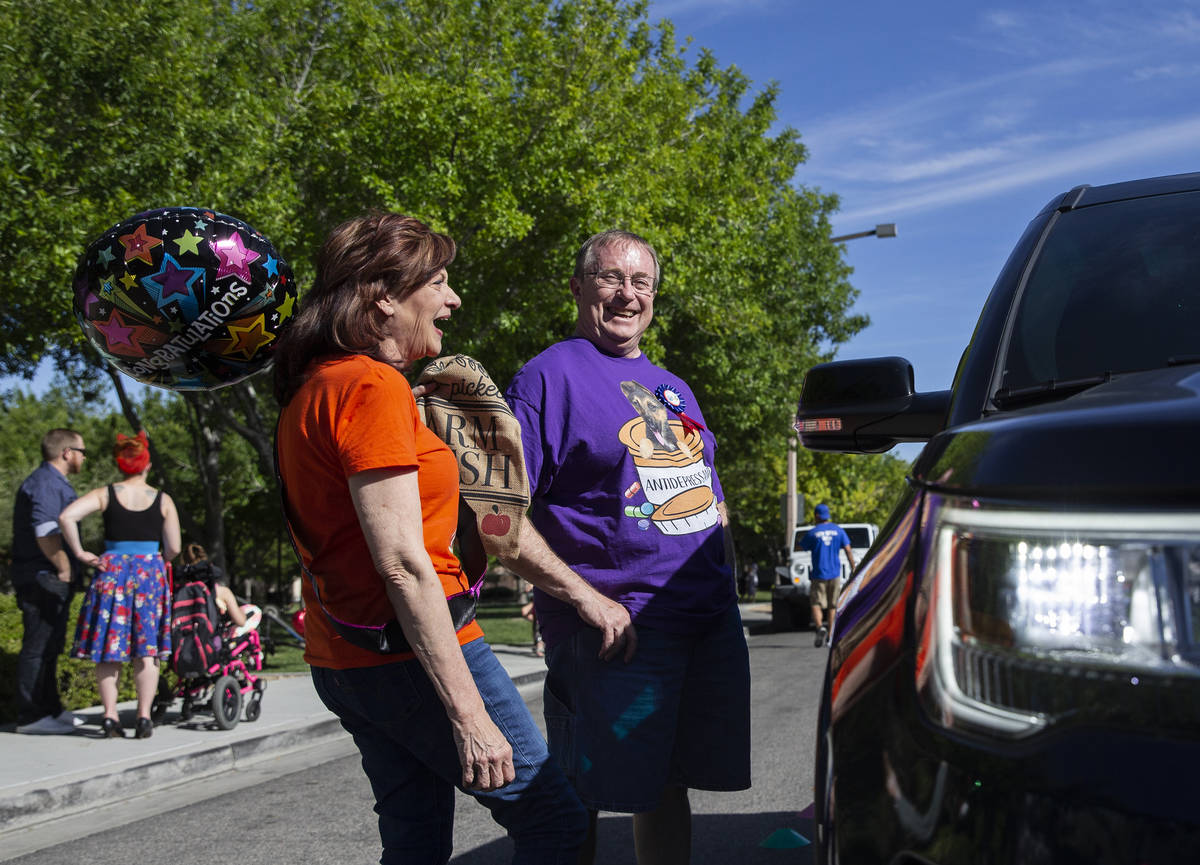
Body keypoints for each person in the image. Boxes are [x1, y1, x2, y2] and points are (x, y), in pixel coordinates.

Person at [272, 211, 618, 865]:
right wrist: (469, 713)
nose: (453, 299)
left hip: (345, 658)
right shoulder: (370, 385)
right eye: (437, 282)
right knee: (555, 822)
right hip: (416, 655)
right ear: (383, 298)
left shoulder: (313, 387)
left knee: (416, 839)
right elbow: (403, 563)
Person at [505, 229, 751, 865]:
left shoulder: (673, 388)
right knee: (577, 797)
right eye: (611, 277)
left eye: (641, 282)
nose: (627, 294)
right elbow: (499, 515)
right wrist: (587, 601)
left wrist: (725, 584)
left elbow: (706, 494)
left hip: (704, 624)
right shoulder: (546, 378)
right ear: (578, 287)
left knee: (667, 787)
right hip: (618, 630)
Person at [59, 430, 181, 739]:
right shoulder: (163, 500)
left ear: (121, 465)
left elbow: (67, 517)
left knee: (109, 650)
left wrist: (80, 553)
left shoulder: (105, 494)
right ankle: (143, 717)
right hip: (149, 576)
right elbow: (175, 548)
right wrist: (155, 559)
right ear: (147, 465)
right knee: (146, 652)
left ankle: (110, 716)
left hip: (111, 573)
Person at [10, 429, 88, 735]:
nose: (84, 458)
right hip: (43, 576)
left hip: (47, 575)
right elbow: (44, 530)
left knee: (51, 646)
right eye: (82, 452)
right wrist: (64, 567)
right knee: (38, 646)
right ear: (67, 453)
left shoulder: (53, 482)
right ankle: (30, 716)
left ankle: (50, 709)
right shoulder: (45, 483)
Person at [799, 503, 856, 648]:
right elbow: (848, 550)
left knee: (816, 603)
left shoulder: (813, 532)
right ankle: (830, 636)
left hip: (818, 574)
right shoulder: (838, 530)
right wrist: (853, 568)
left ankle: (820, 627)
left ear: (817, 516)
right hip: (835, 574)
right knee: (832, 605)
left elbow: (802, 546)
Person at [179, 543, 261, 635]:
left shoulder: (180, 591)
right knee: (256, 611)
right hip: (211, 639)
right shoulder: (222, 592)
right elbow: (241, 621)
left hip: (183, 637)